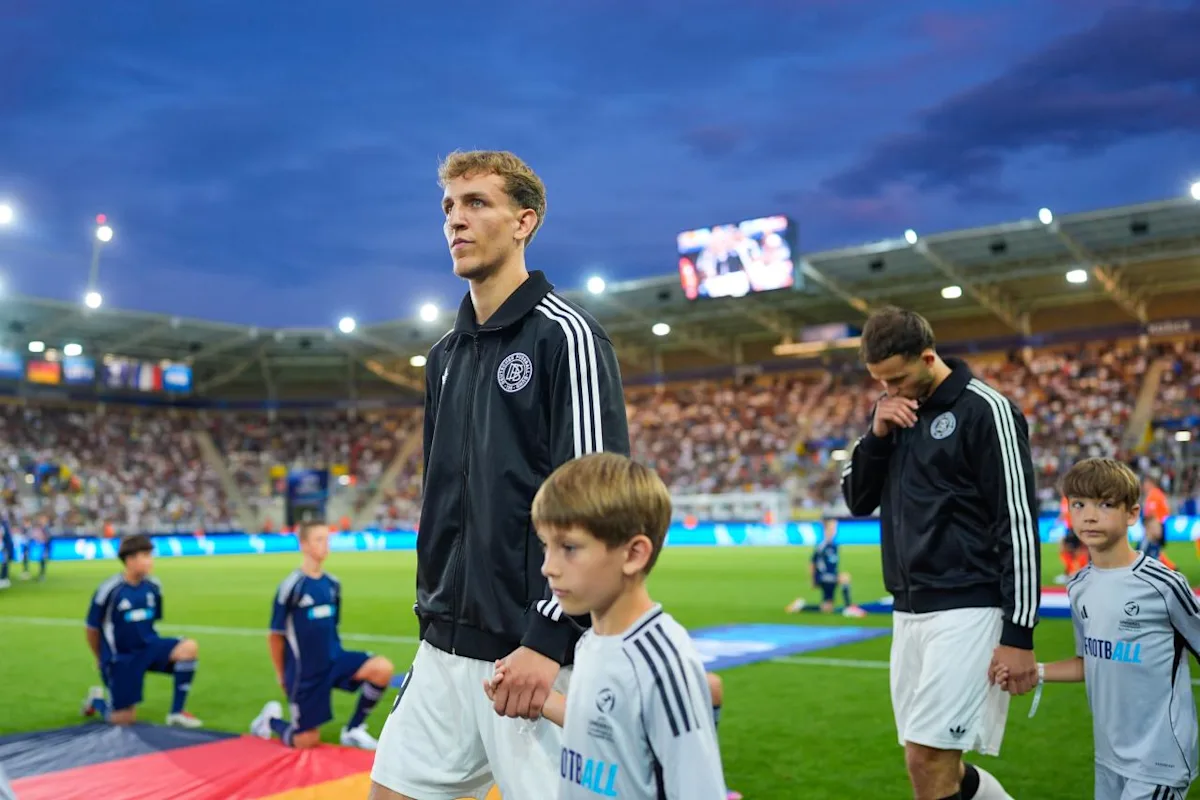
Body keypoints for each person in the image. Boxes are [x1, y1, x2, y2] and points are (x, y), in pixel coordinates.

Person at [369, 150, 630, 800]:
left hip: (539, 657)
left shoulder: (566, 338)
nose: (456, 220)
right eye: (449, 207)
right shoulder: (443, 357)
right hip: (445, 649)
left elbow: (601, 504)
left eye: (476, 203)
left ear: (524, 221)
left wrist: (548, 638)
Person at [841, 306, 1039, 800]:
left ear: (928, 357)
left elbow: (1017, 522)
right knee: (929, 760)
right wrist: (877, 435)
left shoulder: (985, 410)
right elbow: (856, 500)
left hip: (968, 606)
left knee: (927, 760)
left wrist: (1018, 634)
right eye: (880, 382)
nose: (891, 391)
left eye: (899, 379)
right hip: (908, 611)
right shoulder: (892, 412)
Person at [485, 452, 726, 799]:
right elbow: (604, 732)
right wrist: (540, 700)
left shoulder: (662, 664)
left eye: (568, 548)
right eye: (545, 547)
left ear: (633, 554)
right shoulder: (591, 641)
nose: (548, 567)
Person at [995, 457, 1197, 799]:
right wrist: (1035, 671)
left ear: (1131, 514)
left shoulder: (1163, 585)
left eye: (1104, 504)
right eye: (1079, 504)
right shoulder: (1080, 586)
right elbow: (1090, 660)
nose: (1089, 515)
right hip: (1109, 757)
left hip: (1159, 759)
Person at [249, 522, 394, 750]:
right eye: (319, 539)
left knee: (382, 668)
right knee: (306, 741)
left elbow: (332, 626)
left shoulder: (333, 584)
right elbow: (275, 636)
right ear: (304, 544)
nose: (325, 545)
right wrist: (282, 675)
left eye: (327, 539)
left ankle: (353, 729)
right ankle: (269, 721)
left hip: (334, 659)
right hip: (305, 673)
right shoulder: (292, 586)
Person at [81, 534, 202, 727]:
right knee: (123, 721)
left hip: (148, 647)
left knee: (188, 647)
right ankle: (97, 700)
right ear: (130, 560)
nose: (150, 560)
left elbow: (152, 621)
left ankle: (176, 713)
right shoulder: (110, 589)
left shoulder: (154, 586)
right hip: (121, 657)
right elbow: (91, 628)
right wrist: (100, 657)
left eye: (150, 555)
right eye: (145, 555)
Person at [786, 517, 864, 617]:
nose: (834, 531)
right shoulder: (822, 546)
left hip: (831, 576)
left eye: (835, 529)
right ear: (826, 530)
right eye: (831, 529)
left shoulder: (834, 546)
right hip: (824, 577)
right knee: (845, 578)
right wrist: (813, 579)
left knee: (827, 608)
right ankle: (848, 607)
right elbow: (812, 563)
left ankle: (801, 606)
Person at [1140, 474, 1178, 570]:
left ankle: (1171, 568)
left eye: (1145, 483)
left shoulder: (1154, 495)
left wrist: (1153, 525)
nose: (1144, 486)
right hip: (1157, 527)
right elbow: (1166, 511)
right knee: (1156, 552)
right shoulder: (1158, 494)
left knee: (1151, 551)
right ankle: (1171, 568)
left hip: (1155, 528)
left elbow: (1151, 513)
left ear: (1151, 483)